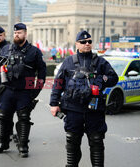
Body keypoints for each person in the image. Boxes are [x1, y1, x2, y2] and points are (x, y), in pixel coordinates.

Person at [50, 30, 118, 167]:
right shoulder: (68, 62)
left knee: (96, 140)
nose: (87, 44)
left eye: (89, 41)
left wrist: (101, 80)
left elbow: (114, 78)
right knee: (72, 141)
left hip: (94, 109)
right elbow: (58, 83)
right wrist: (53, 103)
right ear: (77, 44)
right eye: (83, 42)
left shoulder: (100, 62)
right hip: (73, 109)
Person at [0, 23, 46, 157]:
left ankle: (23, 146)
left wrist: (35, 91)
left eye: (20, 33)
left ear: (25, 34)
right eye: (15, 33)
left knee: (24, 118)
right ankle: (3, 143)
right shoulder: (6, 49)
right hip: (8, 90)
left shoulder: (34, 51)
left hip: (25, 91)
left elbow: (42, 74)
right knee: (3, 117)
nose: (17, 35)